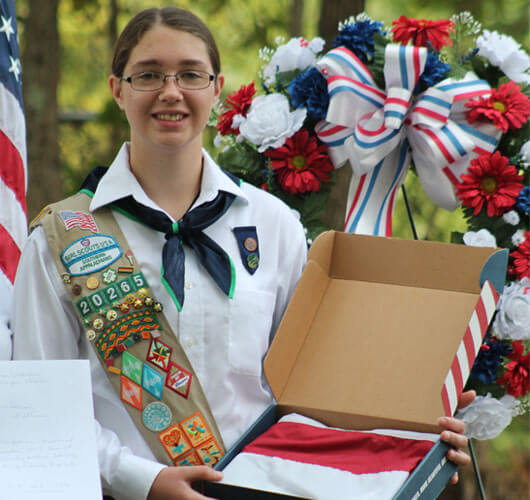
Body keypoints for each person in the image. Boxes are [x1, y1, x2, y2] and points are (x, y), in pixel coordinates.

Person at [12, 6, 472, 500]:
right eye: (148, 75)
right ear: (117, 89)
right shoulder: (59, 240)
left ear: (216, 88)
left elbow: (318, 391)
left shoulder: (274, 226)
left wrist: (415, 430)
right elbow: (41, 408)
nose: (171, 91)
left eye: (191, 74)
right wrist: (144, 481)